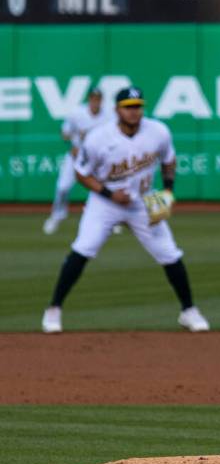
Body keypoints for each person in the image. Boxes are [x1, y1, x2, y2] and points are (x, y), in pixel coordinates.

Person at [41, 87, 209, 334]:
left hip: (142, 202)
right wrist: (109, 194)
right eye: (128, 107)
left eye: (137, 106)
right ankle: (54, 309)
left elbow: (169, 160)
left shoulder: (158, 132)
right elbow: (81, 173)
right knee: (83, 248)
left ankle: (188, 311)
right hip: (105, 203)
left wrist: (168, 191)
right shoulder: (98, 137)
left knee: (169, 253)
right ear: (117, 110)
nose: (133, 112)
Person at [43, 88, 115, 235]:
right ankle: (57, 216)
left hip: (100, 158)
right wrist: (73, 142)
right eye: (93, 98)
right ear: (89, 99)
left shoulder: (109, 115)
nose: (96, 101)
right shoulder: (77, 113)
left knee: (109, 187)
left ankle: (113, 219)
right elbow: (64, 133)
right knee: (63, 187)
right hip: (77, 155)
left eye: (98, 98)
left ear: (102, 100)